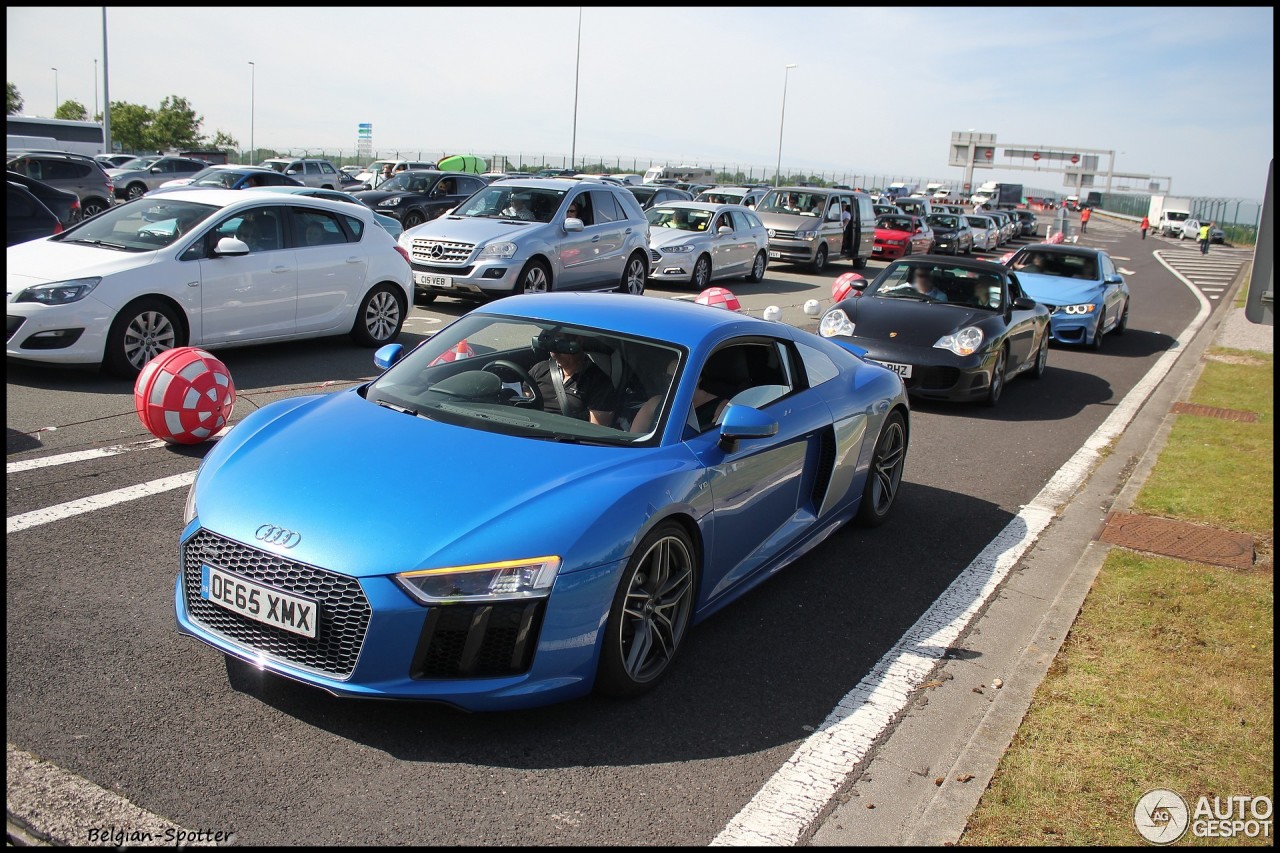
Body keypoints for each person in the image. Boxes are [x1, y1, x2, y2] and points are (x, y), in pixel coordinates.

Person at [529, 333, 617, 426]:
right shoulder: (539, 369)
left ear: (578, 341)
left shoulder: (600, 383)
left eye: (560, 347)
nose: (554, 355)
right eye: (550, 348)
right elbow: (523, 401)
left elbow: (596, 432)